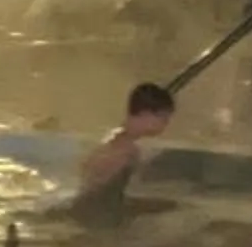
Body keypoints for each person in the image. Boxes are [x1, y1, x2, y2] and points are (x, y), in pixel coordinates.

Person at [69, 82, 176, 227]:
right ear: (146, 114)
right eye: (163, 119)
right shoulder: (124, 151)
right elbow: (96, 195)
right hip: (96, 221)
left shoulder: (114, 139)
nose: (166, 125)